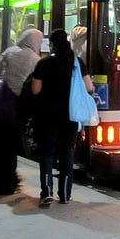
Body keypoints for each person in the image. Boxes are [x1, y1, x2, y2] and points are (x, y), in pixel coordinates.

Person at [31, 28, 92, 206]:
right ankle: (65, 195)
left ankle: (46, 192)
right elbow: (88, 87)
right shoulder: (77, 62)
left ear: (52, 45)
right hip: (71, 116)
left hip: (48, 115)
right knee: (67, 155)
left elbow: (35, 90)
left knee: (47, 154)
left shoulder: (44, 64)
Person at [0, 28, 43, 194]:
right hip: (18, 109)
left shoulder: (9, 52)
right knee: (11, 147)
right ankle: (8, 182)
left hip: (0, 105)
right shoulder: (36, 60)